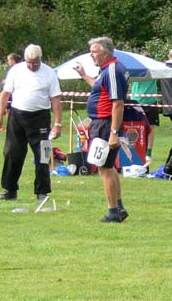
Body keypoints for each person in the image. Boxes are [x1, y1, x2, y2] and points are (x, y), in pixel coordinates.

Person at [0, 45, 62, 201]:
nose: (32, 66)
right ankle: (9, 189)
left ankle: (42, 191)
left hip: (40, 117)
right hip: (17, 116)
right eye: (29, 63)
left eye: (35, 63)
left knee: (42, 155)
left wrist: (58, 124)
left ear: (40, 59)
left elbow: (56, 99)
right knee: (12, 153)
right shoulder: (16, 70)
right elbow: (5, 95)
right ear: (25, 59)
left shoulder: (49, 73)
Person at [74, 37, 129, 223]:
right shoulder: (107, 70)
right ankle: (118, 206)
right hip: (103, 123)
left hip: (105, 124)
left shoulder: (112, 70)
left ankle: (113, 211)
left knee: (103, 168)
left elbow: (118, 103)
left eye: (94, 51)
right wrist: (84, 76)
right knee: (108, 166)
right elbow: (101, 88)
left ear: (106, 53)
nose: (91, 55)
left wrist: (114, 132)